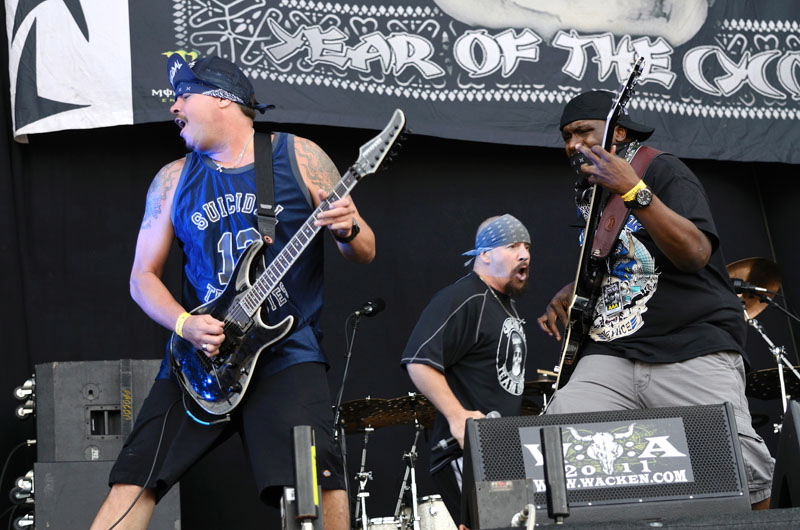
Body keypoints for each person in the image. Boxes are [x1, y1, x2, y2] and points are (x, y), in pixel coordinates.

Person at [90, 53, 376, 529]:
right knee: (134, 477)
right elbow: (142, 278)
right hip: (201, 357)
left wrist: (348, 229)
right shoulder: (173, 178)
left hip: (286, 353)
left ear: (223, 99)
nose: (173, 108)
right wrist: (186, 324)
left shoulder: (298, 154)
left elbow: (364, 249)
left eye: (184, 95)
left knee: (318, 481)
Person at [536, 90, 774, 509]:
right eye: (565, 137)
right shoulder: (590, 192)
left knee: (742, 470)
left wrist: (636, 192)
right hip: (612, 352)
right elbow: (623, 258)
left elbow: (695, 254)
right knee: (554, 452)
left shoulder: (663, 170)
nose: (572, 144)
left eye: (581, 132)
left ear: (617, 131)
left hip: (689, 344)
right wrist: (577, 287)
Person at [400, 214, 531, 525]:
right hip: (467, 452)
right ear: (485, 254)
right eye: (512, 246)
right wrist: (459, 418)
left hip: (498, 450)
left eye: (527, 246)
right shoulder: (464, 297)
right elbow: (418, 359)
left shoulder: (503, 303)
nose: (525, 254)